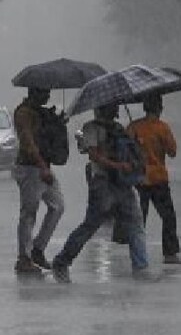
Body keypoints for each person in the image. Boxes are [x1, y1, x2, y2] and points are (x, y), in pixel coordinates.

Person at [51, 103, 150, 283]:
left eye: (115, 107)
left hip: (123, 183)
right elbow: (94, 155)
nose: (115, 109)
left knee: (135, 224)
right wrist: (118, 165)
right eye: (111, 107)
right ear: (101, 109)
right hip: (102, 183)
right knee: (91, 225)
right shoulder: (91, 128)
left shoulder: (119, 128)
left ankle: (141, 268)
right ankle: (61, 261)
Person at [12, 87, 65, 275]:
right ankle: (24, 258)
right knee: (29, 213)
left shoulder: (40, 112)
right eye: (44, 92)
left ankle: (37, 249)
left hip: (42, 167)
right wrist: (42, 166)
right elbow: (28, 142)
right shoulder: (24, 113)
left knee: (58, 206)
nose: (48, 96)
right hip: (30, 168)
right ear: (34, 92)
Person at [127, 94, 181, 265]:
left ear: (145, 108)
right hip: (159, 179)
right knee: (168, 216)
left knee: (139, 219)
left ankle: (137, 254)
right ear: (160, 108)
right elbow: (172, 152)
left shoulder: (133, 127)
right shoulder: (162, 128)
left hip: (139, 179)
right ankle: (170, 254)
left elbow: (125, 150)